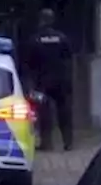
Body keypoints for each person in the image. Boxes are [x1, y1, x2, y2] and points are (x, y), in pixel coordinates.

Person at [23, 9, 75, 151]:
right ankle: (68, 142)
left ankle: (47, 143)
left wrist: (30, 83)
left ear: (41, 20)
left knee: (44, 112)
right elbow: (69, 58)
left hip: (42, 83)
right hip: (61, 81)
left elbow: (28, 63)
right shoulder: (62, 38)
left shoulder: (35, 39)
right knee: (64, 111)